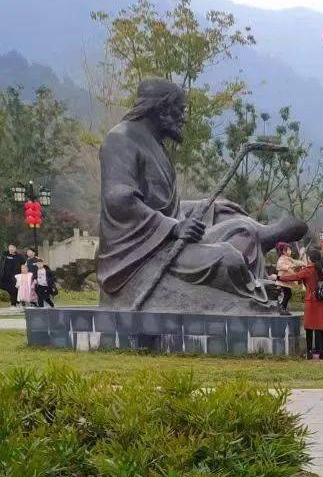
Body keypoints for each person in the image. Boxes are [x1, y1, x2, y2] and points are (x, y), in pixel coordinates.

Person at [95, 79, 306, 312]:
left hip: (167, 239)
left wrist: (205, 208)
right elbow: (120, 201)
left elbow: (165, 206)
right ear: (161, 108)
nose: (183, 118)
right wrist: (173, 228)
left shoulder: (156, 146)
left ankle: (259, 240)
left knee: (241, 230)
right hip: (140, 254)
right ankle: (251, 295)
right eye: (180, 110)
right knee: (229, 258)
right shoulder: (121, 139)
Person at [278, 246, 323, 359]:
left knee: (309, 328)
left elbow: (294, 277)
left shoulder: (308, 270)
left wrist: (278, 278)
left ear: (309, 258)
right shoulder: (322, 270)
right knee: (321, 327)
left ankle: (309, 352)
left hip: (311, 302)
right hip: (322, 302)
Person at [274, 242, 299, 315]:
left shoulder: (288, 258)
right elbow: (282, 266)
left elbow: (294, 262)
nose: (290, 251)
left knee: (288, 294)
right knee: (287, 294)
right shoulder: (281, 259)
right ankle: (282, 308)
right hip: (282, 280)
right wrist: (290, 268)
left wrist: (302, 263)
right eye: (288, 249)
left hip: (285, 281)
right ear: (284, 251)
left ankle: (283, 308)